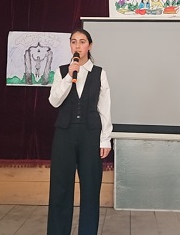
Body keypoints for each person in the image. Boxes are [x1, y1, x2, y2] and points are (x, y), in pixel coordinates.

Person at [47, 29, 112, 235]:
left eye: (82, 42)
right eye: (74, 42)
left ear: (89, 46)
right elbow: (54, 101)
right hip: (64, 134)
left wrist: (105, 139)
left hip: (90, 135)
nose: (77, 46)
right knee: (60, 188)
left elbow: (105, 108)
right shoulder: (61, 71)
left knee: (91, 188)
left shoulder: (99, 73)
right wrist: (69, 76)